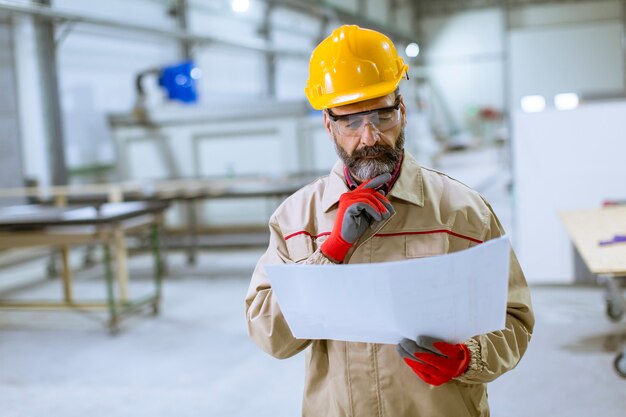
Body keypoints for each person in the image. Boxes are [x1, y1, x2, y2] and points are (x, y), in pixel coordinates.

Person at [245, 24, 534, 417]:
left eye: (382, 114)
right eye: (351, 121)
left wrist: (470, 358)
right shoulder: (297, 219)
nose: (370, 136)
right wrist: (329, 254)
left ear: (403, 110)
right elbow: (269, 336)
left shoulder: (463, 211)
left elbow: (514, 320)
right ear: (328, 124)